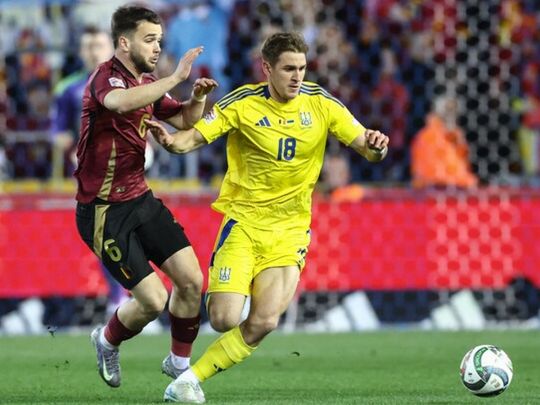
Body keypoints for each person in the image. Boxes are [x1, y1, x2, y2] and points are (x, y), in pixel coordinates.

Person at [144, 32, 389, 403]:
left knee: (264, 321)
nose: (297, 76)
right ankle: (182, 354)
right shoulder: (242, 103)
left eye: (302, 68)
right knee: (225, 318)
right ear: (267, 68)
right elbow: (189, 139)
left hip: (290, 231)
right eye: (289, 69)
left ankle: (188, 381)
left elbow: (367, 149)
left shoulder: (321, 103)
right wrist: (169, 142)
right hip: (244, 224)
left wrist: (377, 147)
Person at [73, 6, 218, 389]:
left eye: (159, 40)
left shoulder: (148, 82)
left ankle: (178, 364)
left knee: (191, 281)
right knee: (153, 301)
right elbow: (120, 103)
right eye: (149, 40)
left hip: (141, 199)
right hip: (103, 211)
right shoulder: (105, 78)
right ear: (124, 42)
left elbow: (184, 119)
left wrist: (196, 97)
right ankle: (106, 340)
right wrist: (176, 77)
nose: (157, 47)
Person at [51, 26, 128, 316]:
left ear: (111, 48)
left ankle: (137, 300)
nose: (93, 51)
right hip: (92, 172)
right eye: (88, 46)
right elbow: (58, 131)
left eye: (98, 45)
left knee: (134, 231)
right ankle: (120, 299)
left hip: (129, 167)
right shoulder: (68, 89)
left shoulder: (129, 83)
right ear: (81, 52)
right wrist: (69, 146)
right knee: (105, 234)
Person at [410, 94, 478, 188]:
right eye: (448, 110)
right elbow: (428, 174)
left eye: (454, 110)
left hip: (456, 186)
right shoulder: (427, 137)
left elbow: (464, 166)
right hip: (436, 188)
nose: (452, 114)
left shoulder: (455, 136)